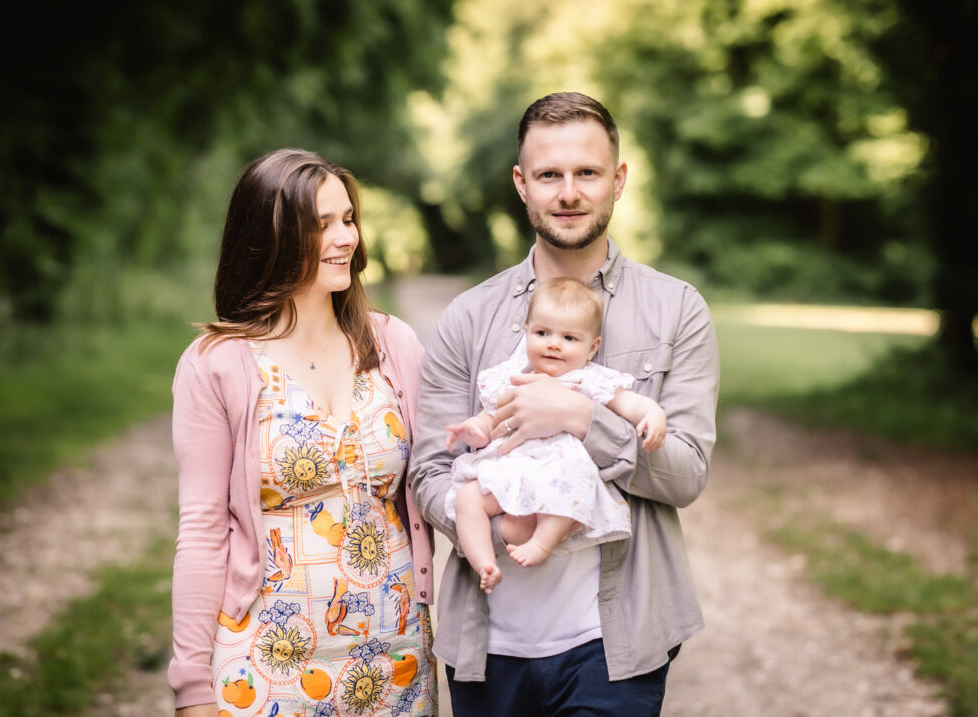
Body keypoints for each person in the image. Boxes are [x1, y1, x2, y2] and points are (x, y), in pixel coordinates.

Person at [410, 92, 720, 715]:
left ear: (618, 180)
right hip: (490, 643)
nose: (569, 193)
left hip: (614, 646)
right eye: (550, 175)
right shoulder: (468, 317)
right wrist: (505, 520)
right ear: (521, 184)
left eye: (588, 172)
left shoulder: (676, 310)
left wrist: (582, 419)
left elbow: (685, 475)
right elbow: (429, 472)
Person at [169, 149, 437, 717]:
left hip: (396, 657)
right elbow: (201, 530)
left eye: (348, 219)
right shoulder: (218, 364)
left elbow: (441, 478)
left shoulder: (393, 344)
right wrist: (191, 684)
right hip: (265, 661)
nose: (346, 238)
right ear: (271, 239)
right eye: (321, 225)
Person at [444, 277, 667, 593]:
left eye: (569, 337)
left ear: (592, 347)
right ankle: (483, 563)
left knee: (566, 489)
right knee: (468, 497)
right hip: (513, 468)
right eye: (542, 333)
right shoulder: (512, 378)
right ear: (527, 333)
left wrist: (653, 414)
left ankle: (542, 542)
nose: (553, 344)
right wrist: (475, 429)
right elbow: (492, 420)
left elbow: (631, 403)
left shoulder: (587, 380)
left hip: (560, 469)